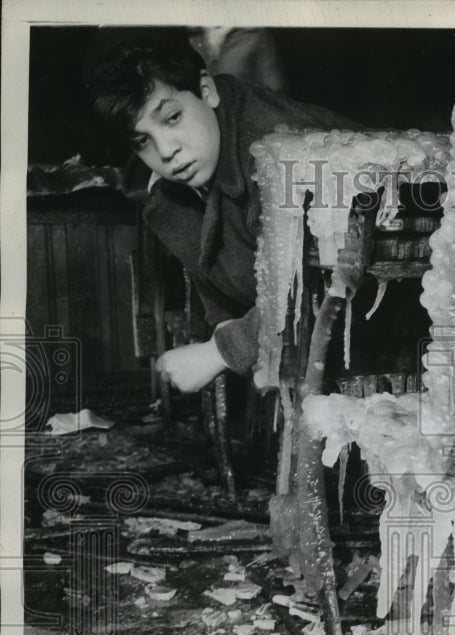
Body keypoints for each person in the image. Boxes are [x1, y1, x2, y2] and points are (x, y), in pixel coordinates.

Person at [86, 34, 358, 392]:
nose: (166, 150)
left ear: (206, 90)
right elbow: (212, 259)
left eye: (172, 117)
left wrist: (219, 353)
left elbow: (322, 289)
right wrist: (224, 326)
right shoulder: (179, 176)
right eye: (142, 141)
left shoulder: (278, 153)